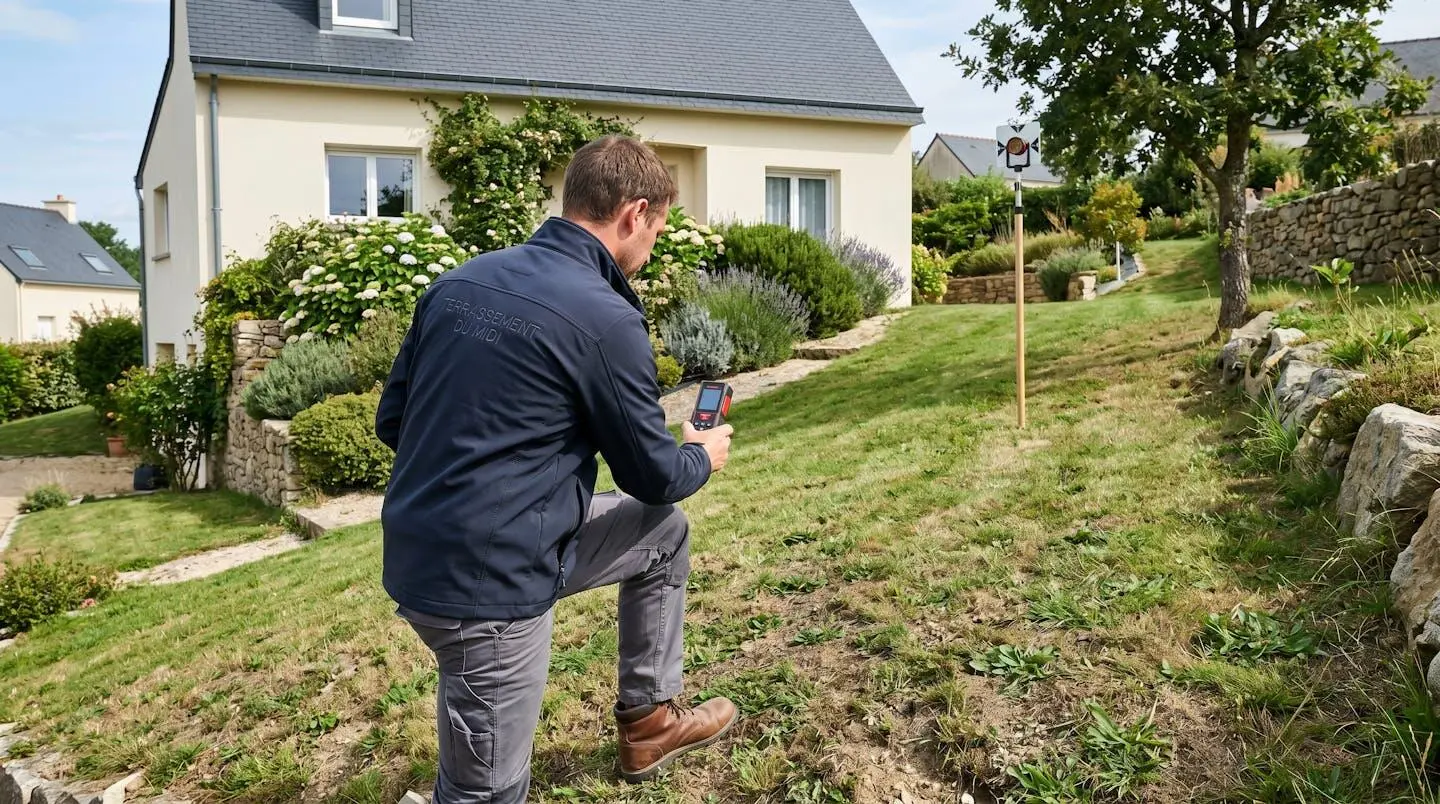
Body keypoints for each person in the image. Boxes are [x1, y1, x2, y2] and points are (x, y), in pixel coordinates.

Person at [375, 134, 737, 803]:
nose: (649, 251)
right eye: (656, 232)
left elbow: (391, 423)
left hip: (421, 547)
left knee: (662, 532)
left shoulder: (457, 284)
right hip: (487, 585)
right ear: (634, 214)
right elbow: (653, 475)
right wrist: (700, 454)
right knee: (487, 792)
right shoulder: (605, 317)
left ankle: (650, 722)